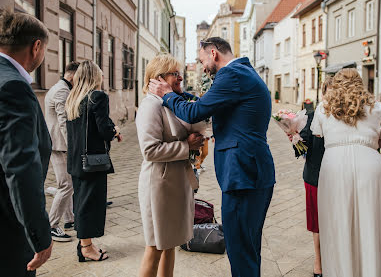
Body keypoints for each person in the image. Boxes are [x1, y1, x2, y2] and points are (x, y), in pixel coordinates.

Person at [149, 37, 275, 277]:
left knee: (240, 249)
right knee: (248, 246)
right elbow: (204, 103)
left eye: (202, 60)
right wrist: (178, 92)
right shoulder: (243, 73)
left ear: (214, 54)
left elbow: (195, 111)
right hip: (252, 172)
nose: (202, 67)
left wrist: (167, 93)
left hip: (243, 175)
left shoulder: (232, 75)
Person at [311, 69, 381, 277]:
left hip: (334, 164)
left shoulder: (324, 107)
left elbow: (318, 133)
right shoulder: (376, 106)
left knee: (337, 222)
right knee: (371, 223)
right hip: (369, 163)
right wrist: (374, 140)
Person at [136, 54, 203, 277]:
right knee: (155, 246)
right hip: (159, 184)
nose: (180, 77)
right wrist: (186, 145)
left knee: (171, 243)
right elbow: (149, 150)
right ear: (159, 77)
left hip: (176, 182)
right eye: (175, 73)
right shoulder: (150, 106)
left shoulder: (172, 101)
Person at [0, 9, 53, 276]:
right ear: (36, 47)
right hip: (8, 228)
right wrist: (39, 236)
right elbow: (21, 167)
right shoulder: (13, 87)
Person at [65, 60, 122, 262]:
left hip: (75, 161)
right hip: (92, 162)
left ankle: (85, 244)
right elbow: (103, 130)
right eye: (101, 74)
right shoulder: (98, 96)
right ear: (95, 77)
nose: (103, 77)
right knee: (90, 206)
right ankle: (86, 248)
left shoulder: (73, 98)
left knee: (80, 204)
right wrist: (114, 131)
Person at [292, 77, 333, 277]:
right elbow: (303, 146)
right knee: (317, 222)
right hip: (315, 175)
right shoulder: (311, 114)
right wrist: (295, 137)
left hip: (338, 176)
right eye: (328, 92)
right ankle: (318, 261)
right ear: (323, 94)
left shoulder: (349, 117)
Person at [45, 61, 80, 242]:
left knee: (67, 183)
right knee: (65, 185)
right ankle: (52, 226)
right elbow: (64, 121)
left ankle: (69, 219)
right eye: (79, 77)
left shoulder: (58, 87)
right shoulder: (62, 90)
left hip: (57, 144)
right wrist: (72, 145)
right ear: (72, 75)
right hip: (59, 145)